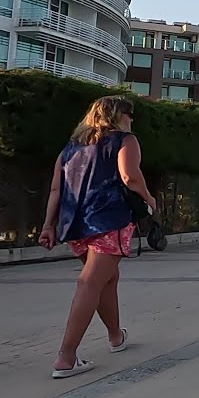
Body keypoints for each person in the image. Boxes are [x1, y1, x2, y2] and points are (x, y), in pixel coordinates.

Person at [39, 96, 153, 379]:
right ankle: (66, 357)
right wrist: (150, 200)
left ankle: (116, 336)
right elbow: (130, 177)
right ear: (118, 115)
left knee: (106, 279)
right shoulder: (125, 141)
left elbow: (56, 190)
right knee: (90, 282)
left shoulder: (69, 149)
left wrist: (47, 225)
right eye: (129, 114)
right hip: (107, 219)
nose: (132, 119)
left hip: (74, 223)